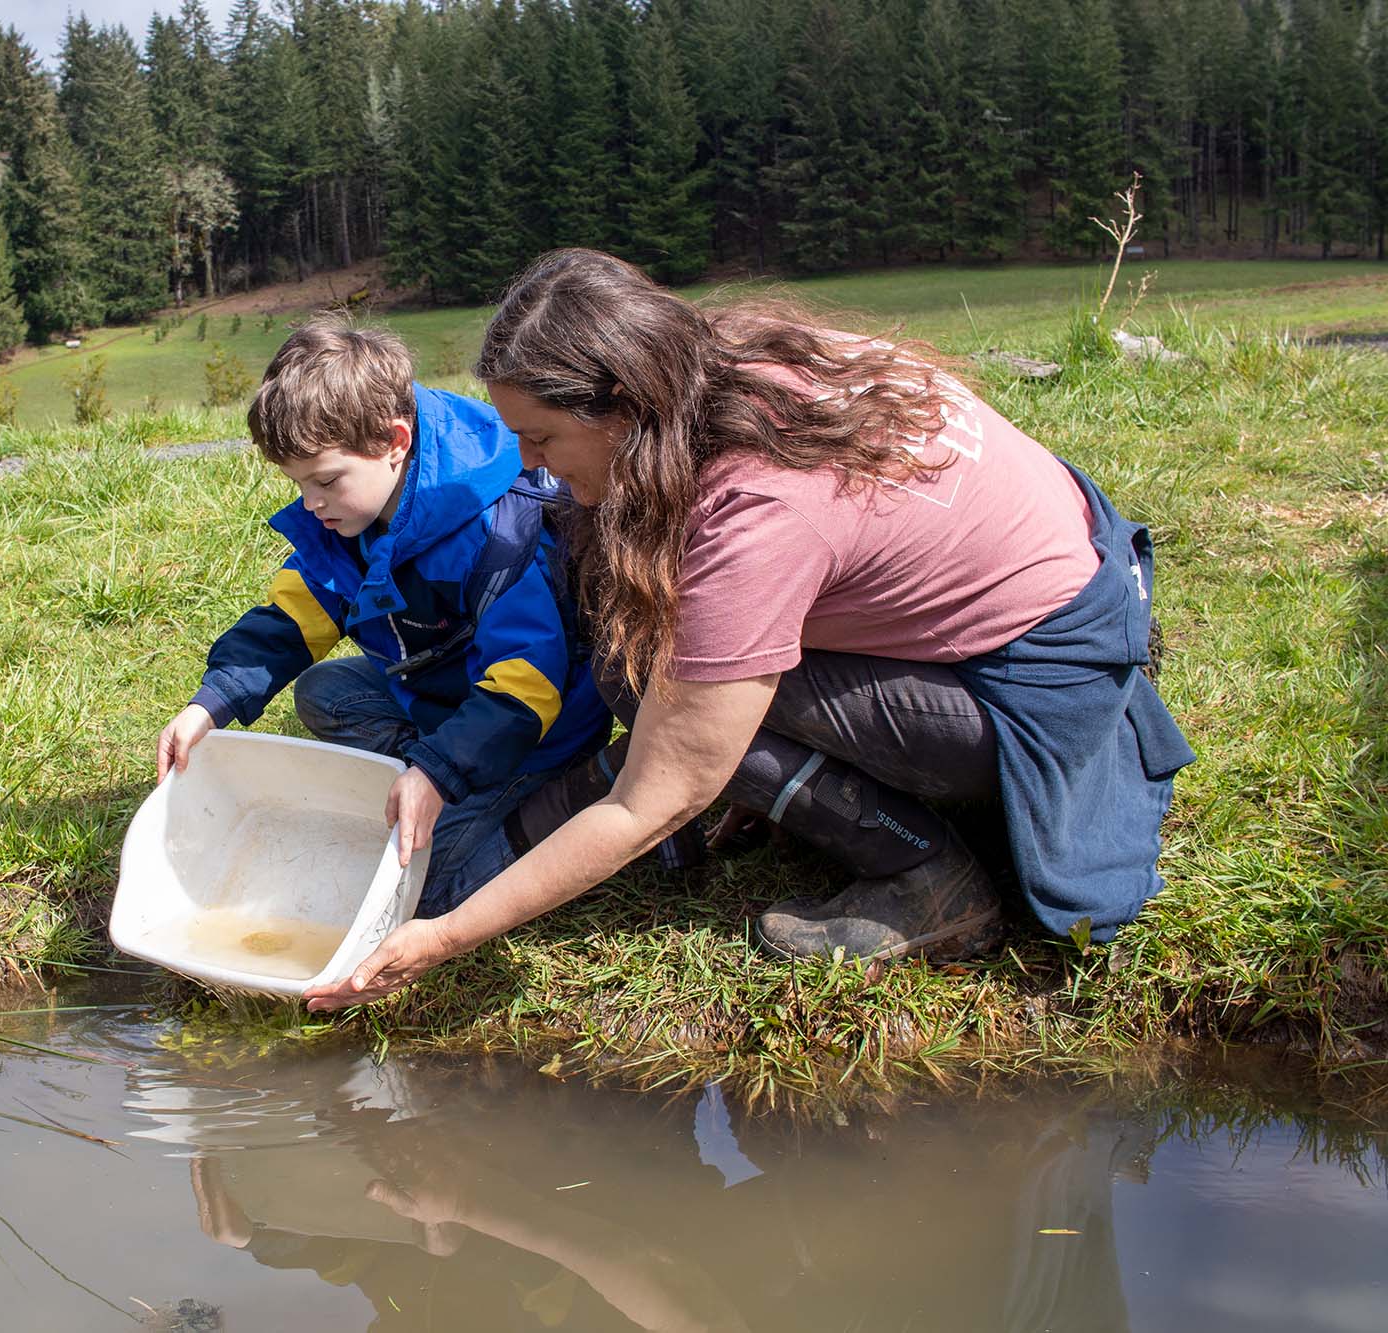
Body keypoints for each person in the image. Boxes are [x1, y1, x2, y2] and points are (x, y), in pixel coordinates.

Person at [302, 249, 1194, 1010]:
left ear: (622, 408)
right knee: (634, 652)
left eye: (539, 438)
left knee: (663, 688)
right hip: (1074, 585)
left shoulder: (761, 510)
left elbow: (655, 796)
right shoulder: (728, 359)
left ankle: (932, 877)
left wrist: (448, 933)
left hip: (1032, 684)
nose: (526, 464)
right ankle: (809, 803)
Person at [155, 316, 609, 916]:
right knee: (325, 693)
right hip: (440, 694)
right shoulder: (352, 512)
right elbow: (296, 614)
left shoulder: (495, 532)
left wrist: (439, 773)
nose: (311, 504)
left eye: (325, 481)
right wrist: (210, 703)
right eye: (298, 485)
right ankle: (428, 771)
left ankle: (566, 799)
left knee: (427, 889)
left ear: (395, 442)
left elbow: (525, 686)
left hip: (535, 731)